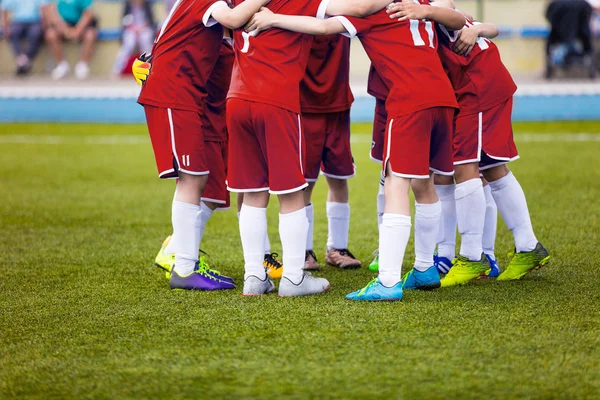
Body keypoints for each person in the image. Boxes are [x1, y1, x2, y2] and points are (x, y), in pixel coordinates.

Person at [244, 0, 465, 301]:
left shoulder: (373, 10)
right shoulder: (419, 4)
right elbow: (456, 18)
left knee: (396, 184)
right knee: (424, 183)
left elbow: (322, 26)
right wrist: (428, 11)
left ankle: (387, 281)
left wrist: (273, 18)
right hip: (442, 97)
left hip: (410, 100)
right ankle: (425, 267)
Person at [136, 0, 274, 291]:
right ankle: (184, 266)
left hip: (183, 96)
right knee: (193, 177)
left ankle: (185, 260)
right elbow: (234, 18)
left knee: (201, 178)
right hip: (174, 94)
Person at [411, 8, 550, 285]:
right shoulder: (422, 11)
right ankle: (528, 246)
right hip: (482, 86)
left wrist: (457, 21)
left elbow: (458, 18)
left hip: (477, 89)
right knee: (493, 167)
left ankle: (473, 257)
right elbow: (487, 26)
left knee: (464, 167)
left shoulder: (426, 9)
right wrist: (475, 28)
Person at [300, 35, 361, 271]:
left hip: (338, 105)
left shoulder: (344, 9)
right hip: (304, 106)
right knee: (304, 183)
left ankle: (337, 248)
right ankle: (303, 250)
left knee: (339, 177)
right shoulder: (298, 10)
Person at [44, 0, 98, 80]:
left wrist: (78, 29)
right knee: (51, 34)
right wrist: (65, 29)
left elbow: (88, 13)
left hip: (80, 24)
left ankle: (83, 66)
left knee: (90, 35)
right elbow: (50, 12)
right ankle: (62, 65)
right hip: (62, 25)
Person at [1, 0, 49, 75]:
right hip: (18, 21)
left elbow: (44, 8)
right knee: (12, 32)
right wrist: (5, 26)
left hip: (35, 21)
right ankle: (23, 61)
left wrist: (45, 24)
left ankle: (23, 61)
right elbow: (5, 8)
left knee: (36, 33)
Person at [112, 0, 155, 77]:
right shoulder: (127, 5)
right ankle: (117, 69)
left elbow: (150, 22)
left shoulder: (146, 5)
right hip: (131, 30)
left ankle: (151, 68)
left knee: (146, 41)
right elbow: (124, 22)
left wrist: (141, 28)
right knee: (129, 43)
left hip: (144, 29)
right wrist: (134, 28)